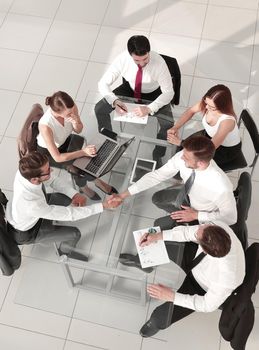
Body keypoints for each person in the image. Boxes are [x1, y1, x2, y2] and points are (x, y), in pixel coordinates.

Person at [6, 152, 121, 261]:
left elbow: (53, 180)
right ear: (35, 179)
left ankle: (53, 222)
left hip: (31, 210)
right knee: (75, 234)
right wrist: (103, 206)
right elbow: (70, 214)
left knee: (66, 199)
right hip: (27, 232)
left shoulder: (25, 173)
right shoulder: (31, 204)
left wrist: (74, 194)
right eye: (48, 171)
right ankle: (65, 252)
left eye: (49, 167)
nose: (51, 170)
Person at [137, 222, 245, 337]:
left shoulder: (228, 278)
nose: (198, 228)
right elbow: (188, 232)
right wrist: (158, 236)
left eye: (197, 236)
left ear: (205, 251)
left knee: (159, 318)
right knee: (158, 243)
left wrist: (171, 296)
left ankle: (155, 324)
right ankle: (144, 262)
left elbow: (207, 305)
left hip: (200, 287)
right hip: (195, 262)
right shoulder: (217, 227)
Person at [95, 35, 179, 166]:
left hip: (154, 93)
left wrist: (150, 108)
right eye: (137, 60)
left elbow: (169, 92)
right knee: (99, 109)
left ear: (149, 52)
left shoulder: (159, 63)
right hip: (130, 88)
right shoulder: (122, 59)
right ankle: (111, 142)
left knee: (168, 125)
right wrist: (114, 101)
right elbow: (102, 83)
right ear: (130, 55)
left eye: (145, 59)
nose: (142, 64)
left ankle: (158, 154)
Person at [37, 91, 117, 200]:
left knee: (88, 161)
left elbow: (78, 130)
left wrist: (76, 121)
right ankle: (86, 186)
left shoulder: (71, 107)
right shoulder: (45, 126)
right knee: (78, 169)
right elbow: (58, 157)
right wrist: (83, 152)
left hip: (65, 140)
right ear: (56, 112)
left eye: (71, 111)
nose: (71, 114)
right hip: (50, 153)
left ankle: (95, 180)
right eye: (68, 114)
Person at [167, 84, 242, 170]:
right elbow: (190, 111)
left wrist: (181, 142)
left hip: (224, 149)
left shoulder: (227, 121)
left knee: (189, 161)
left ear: (222, 106)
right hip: (209, 137)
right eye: (206, 103)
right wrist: (176, 127)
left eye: (211, 107)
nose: (206, 107)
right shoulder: (208, 103)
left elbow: (210, 148)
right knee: (182, 151)